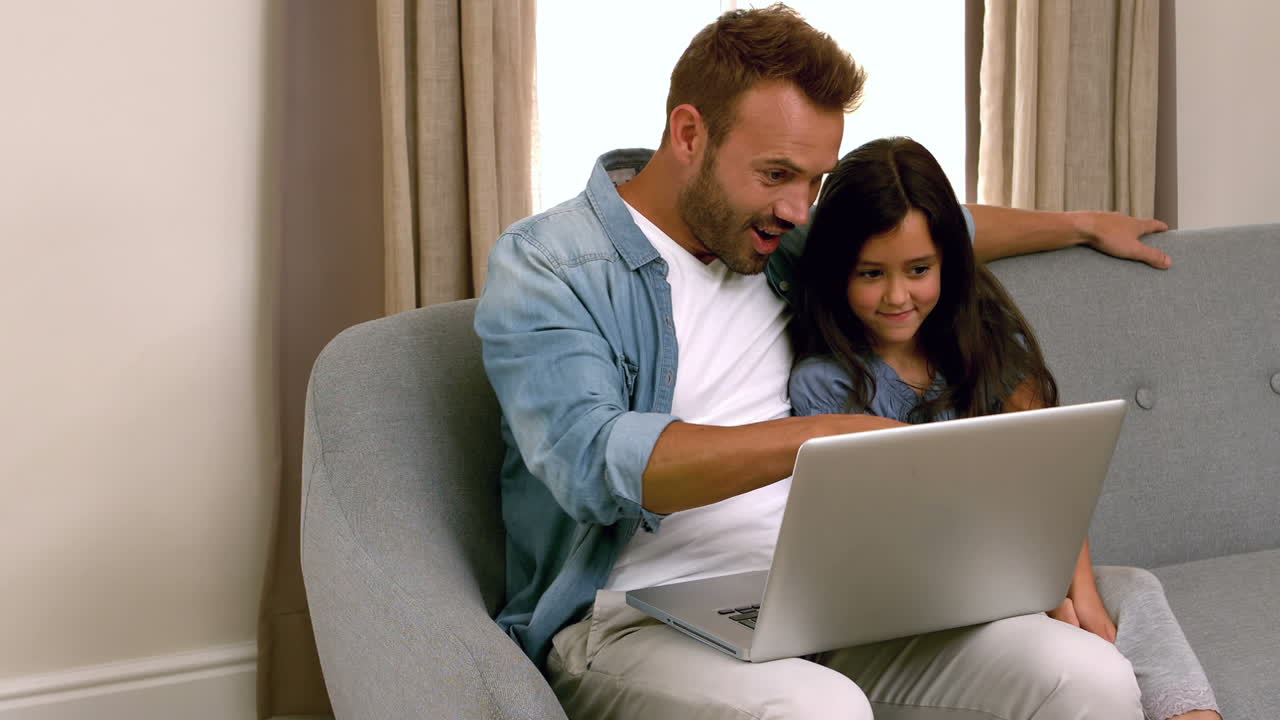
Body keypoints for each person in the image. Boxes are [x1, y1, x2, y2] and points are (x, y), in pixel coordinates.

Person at [474, 5, 1174, 718]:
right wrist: (823, 437)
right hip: (631, 621)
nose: (799, 210)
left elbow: (933, 230)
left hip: (824, 597)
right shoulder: (549, 264)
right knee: (819, 711)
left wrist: (1080, 224)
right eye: (777, 173)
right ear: (688, 134)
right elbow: (592, 460)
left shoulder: (778, 238)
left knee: (1088, 677)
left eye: (814, 180)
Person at [788, 136, 1221, 720]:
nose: (896, 296)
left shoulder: (984, 337)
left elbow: (1050, 471)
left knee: (1134, 589)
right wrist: (1036, 599)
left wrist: (1077, 593)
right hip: (906, 614)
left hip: (1009, 577)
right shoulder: (826, 384)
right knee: (1061, 634)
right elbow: (877, 545)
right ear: (837, 270)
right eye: (871, 273)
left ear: (948, 260)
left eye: (919, 270)